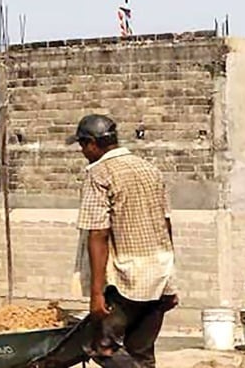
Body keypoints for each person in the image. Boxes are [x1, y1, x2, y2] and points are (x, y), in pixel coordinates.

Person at [71, 114, 178, 368]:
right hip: (159, 272)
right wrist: (171, 280)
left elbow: (98, 233)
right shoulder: (149, 169)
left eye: (82, 145)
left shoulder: (100, 173)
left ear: (92, 143)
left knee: (100, 347)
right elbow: (166, 224)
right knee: (141, 353)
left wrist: (96, 294)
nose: (82, 152)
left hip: (128, 279)